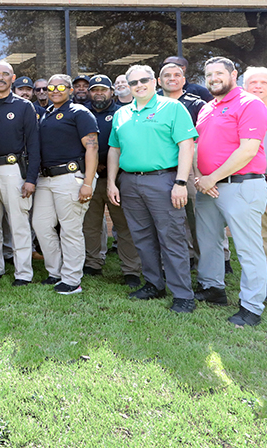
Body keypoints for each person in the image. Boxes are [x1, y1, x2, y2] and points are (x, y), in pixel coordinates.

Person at [107, 65, 197, 313]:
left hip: (164, 180)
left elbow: (186, 146)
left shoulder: (172, 107)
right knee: (142, 237)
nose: (139, 85)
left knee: (172, 238)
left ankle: (182, 295)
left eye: (144, 80)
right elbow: (115, 150)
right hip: (130, 182)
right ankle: (154, 285)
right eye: (133, 82)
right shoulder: (122, 114)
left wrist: (180, 182)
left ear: (154, 81)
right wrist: (112, 182)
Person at [194, 57, 267, 326]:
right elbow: (199, 146)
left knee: (248, 248)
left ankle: (251, 307)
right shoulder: (206, 108)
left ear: (233, 74)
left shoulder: (251, 104)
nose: (213, 78)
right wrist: (200, 177)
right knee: (208, 241)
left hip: (241, 185)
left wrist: (212, 177)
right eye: (208, 74)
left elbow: (248, 149)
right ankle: (212, 288)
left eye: (219, 73)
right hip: (208, 187)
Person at [33, 74, 98, 294]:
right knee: (41, 225)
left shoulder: (79, 113)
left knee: (70, 230)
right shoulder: (47, 114)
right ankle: (56, 273)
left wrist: (88, 183)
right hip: (46, 179)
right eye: (51, 87)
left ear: (70, 90)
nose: (55, 90)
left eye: (61, 87)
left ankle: (72, 280)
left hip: (71, 177)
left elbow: (92, 148)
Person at [0, 63, 40, 286]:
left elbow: (34, 144)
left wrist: (31, 179)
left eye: (5, 74)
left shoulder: (24, 107)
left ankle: (23, 273)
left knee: (19, 224)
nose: (1, 78)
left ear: (13, 78)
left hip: (14, 171)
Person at [80, 75, 141, 287]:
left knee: (124, 225)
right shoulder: (82, 112)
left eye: (103, 90)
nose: (98, 93)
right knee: (91, 224)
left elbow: (130, 144)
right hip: (92, 177)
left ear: (111, 92)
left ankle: (131, 269)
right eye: (95, 90)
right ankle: (93, 263)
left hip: (118, 179)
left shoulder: (122, 113)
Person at [158, 61, 209, 267]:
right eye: (167, 76)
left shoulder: (197, 104)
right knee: (175, 216)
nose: (172, 79)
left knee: (197, 214)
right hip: (165, 165)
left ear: (184, 80)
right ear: (159, 81)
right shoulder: (155, 104)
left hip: (192, 164)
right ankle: (186, 257)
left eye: (176, 75)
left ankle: (211, 260)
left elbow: (205, 138)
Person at [243, 66, 267, 303]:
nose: (258, 87)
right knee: (261, 237)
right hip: (256, 182)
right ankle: (265, 284)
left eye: (264, 82)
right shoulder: (242, 113)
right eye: (253, 82)